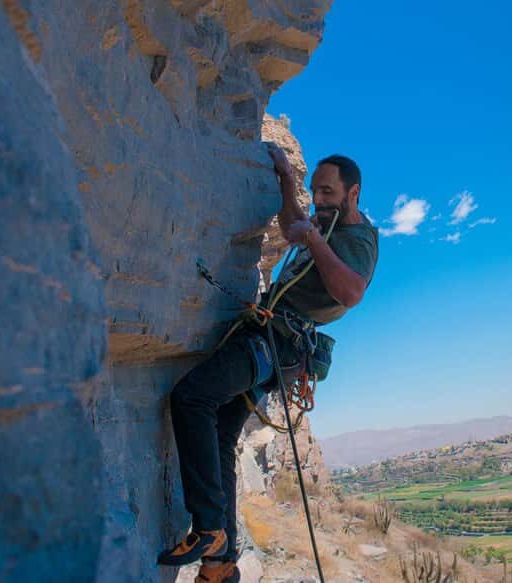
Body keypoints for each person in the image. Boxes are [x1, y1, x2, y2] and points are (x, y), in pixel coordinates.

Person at [158, 143, 378, 582]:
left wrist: (314, 237)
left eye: (328, 192)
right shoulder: (325, 224)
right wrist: (286, 182)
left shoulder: (358, 238)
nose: (319, 200)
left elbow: (351, 293)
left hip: (279, 343)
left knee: (192, 398)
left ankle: (208, 528)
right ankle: (220, 566)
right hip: (272, 339)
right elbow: (293, 223)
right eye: (316, 191)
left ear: (353, 193)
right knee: (221, 429)